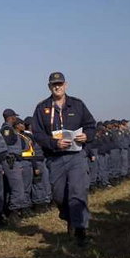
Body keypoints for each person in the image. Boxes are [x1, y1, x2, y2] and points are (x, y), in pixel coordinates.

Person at [31, 72, 96, 246]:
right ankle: (70, 218)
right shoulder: (41, 108)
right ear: (49, 87)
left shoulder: (77, 104)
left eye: (60, 84)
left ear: (66, 85)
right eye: (54, 84)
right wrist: (53, 143)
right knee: (59, 195)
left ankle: (81, 230)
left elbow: (91, 125)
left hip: (76, 156)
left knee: (78, 191)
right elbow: (37, 134)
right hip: (55, 158)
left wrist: (86, 136)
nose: (57, 87)